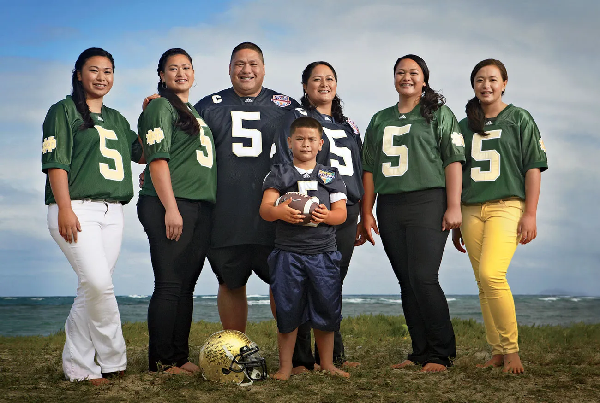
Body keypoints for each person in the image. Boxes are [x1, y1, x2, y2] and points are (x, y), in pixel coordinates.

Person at [42, 47, 143, 385]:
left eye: (108, 71)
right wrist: (66, 208)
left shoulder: (117, 119)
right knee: (99, 284)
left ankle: (80, 366)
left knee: (93, 290)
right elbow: (56, 163)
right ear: (79, 74)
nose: (102, 77)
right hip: (75, 208)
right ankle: (113, 360)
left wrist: (153, 112)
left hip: (113, 212)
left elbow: (142, 152)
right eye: (94, 70)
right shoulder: (63, 110)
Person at [358, 54, 465, 372]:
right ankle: (420, 352)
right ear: (394, 78)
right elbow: (369, 169)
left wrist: (454, 205)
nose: (407, 77)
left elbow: (453, 160)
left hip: (428, 202)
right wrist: (367, 211)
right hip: (390, 205)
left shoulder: (439, 114)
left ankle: (441, 353)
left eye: (413, 72)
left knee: (423, 277)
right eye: (401, 72)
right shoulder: (380, 119)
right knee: (406, 281)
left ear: (424, 79)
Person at [193, 42, 299, 332]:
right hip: (227, 212)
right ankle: (235, 348)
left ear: (264, 69)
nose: (246, 70)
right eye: (239, 64)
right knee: (230, 281)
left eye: (253, 64)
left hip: (276, 212)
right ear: (229, 69)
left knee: (282, 281)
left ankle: (290, 354)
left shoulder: (287, 106)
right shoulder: (207, 105)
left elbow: (312, 150)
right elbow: (185, 151)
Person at [452, 59, 548, 374]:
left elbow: (532, 167)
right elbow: (457, 172)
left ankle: (512, 351)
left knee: (493, 274)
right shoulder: (465, 125)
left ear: (504, 83)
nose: (486, 85)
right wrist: (455, 218)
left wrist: (531, 213)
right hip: (470, 209)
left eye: (492, 79)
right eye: (480, 79)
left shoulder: (519, 118)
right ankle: (496, 351)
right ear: (473, 85)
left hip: (507, 206)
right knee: (483, 282)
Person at [269, 61, 363, 372]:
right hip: (302, 213)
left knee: (328, 288)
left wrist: (363, 212)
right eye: (316, 79)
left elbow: (361, 169)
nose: (324, 84)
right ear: (305, 85)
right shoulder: (295, 119)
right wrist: (292, 204)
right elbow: (285, 167)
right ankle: (299, 360)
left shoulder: (347, 123)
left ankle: (331, 358)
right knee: (296, 291)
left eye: (330, 78)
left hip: (339, 211)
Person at [137, 48, 216, 374]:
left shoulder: (192, 111)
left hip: (198, 205)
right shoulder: (160, 106)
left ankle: (178, 357)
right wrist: (171, 208)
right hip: (171, 204)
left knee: (186, 286)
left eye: (186, 67)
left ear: (194, 74)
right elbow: (156, 159)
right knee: (169, 283)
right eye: (173, 68)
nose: (181, 73)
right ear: (162, 75)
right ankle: (161, 361)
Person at [260, 116, 349, 380]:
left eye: (311, 139)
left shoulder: (330, 174)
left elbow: (341, 213)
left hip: (323, 252)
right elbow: (265, 209)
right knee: (287, 311)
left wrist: (326, 217)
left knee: (326, 310)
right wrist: (280, 213)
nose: (305, 144)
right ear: (290, 142)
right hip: (288, 253)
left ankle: (328, 363)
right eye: (299, 139)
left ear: (321, 143)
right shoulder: (279, 172)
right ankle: (286, 366)